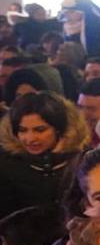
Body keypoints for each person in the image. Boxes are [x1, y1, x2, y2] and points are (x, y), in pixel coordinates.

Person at [0, 91, 90, 219]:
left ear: (59, 129)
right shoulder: (5, 163)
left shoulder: (82, 161)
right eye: (22, 130)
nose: (30, 138)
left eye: (40, 130)